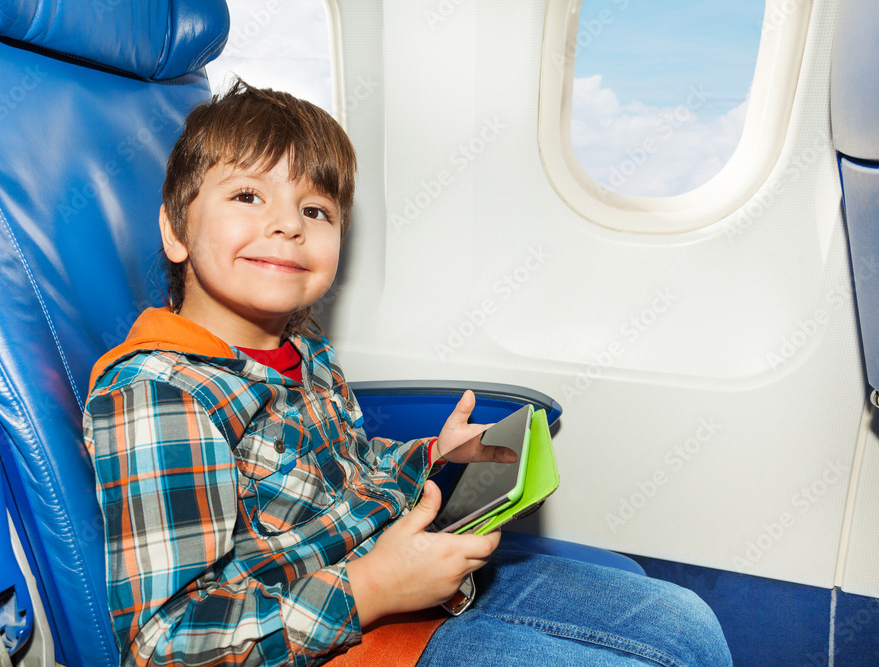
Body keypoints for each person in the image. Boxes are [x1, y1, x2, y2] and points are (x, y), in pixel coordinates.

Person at [83, 79, 733, 667]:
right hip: (339, 637)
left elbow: (347, 474)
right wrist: (371, 589)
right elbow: (165, 644)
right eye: (248, 196)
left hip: (407, 575)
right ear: (175, 231)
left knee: (686, 623)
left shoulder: (304, 351)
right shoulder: (163, 390)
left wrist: (433, 457)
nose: (286, 223)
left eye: (317, 211)